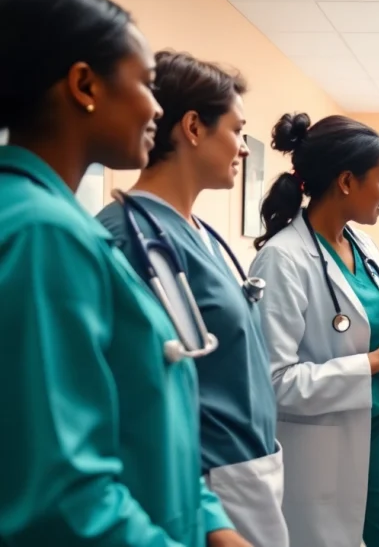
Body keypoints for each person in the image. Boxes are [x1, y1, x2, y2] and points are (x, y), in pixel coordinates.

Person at [0, 0, 246, 547]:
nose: (156, 109)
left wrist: (210, 524)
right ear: (85, 84)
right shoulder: (43, 234)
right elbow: (63, 496)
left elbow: (140, 423)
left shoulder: (55, 223)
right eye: (146, 84)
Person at [93, 50, 284, 547]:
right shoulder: (126, 238)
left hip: (249, 468)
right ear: (194, 127)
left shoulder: (200, 234)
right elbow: (132, 397)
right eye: (238, 131)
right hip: (204, 483)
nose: (244, 148)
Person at [248, 113, 379, 547]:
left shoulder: (362, 244)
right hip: (320, 443)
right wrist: (373, 362)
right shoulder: (283, 259)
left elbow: (378, 328)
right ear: (347, 181)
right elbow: (273, 383)